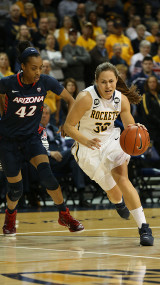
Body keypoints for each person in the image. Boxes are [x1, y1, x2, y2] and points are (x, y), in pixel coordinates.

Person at [62, 62, 154, 246]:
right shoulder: (86, 98)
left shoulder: (121, 99)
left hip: (111, 141)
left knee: (123, 178)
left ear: (116, 81)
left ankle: (144, 228)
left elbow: (129, 126)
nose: (108, 86)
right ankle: (118, 202)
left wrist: (137, 129)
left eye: (111, 81)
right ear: (96, 82)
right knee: (113, 192)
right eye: (103, 82)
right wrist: (86, 141)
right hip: (87, 147)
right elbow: (68, 127)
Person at [0, 41, 84, 236]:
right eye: (33, 68)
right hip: (8, 141)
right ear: (23, 67)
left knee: (47, 176)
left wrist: (67, 123)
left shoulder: (46, 81)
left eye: (40, 68)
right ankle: (10, 216)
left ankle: (64, 214)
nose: (38, 72)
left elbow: (72, 99)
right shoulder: (8, 83)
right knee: (16, 189)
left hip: (31, 138)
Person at [141, 75, 160, 155]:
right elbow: (147, 113)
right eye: (150, 82)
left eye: (154, 82)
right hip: (151, 129)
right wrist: (159, 122)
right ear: (147, 84)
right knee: (152, 153)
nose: (152, 84)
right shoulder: (145, 96)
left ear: (157, 84)